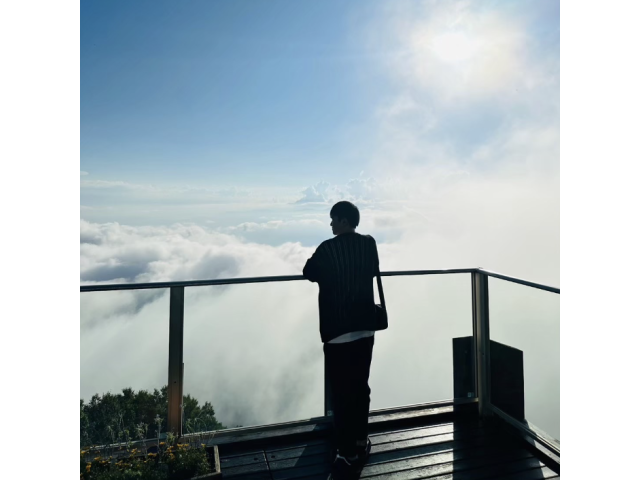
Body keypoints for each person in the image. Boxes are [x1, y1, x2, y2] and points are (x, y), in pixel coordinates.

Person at [303, 201, 379, 480]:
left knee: (342, 393)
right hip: (365, 329)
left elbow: (309, 272)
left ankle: (346, 453)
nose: (331, 224)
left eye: (334, 219)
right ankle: (359, 442)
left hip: (337, 332)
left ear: (344, 221)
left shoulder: (327, 249)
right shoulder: (369, 244)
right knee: (360, 388)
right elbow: (373, 269)